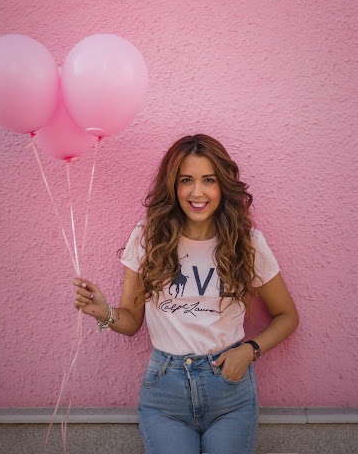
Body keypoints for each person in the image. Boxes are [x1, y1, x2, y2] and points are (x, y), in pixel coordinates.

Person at [72, 134, 299, 454]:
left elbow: (287, 316)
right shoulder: (148, 238)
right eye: (186, 180)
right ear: (173, 185)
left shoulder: (246, 242)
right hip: (166, 393)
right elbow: (131, 320)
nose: (197, 192)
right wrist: (104, 311)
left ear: (222, 185)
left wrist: (249, 351)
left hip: (230, 390)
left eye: (209, 180)